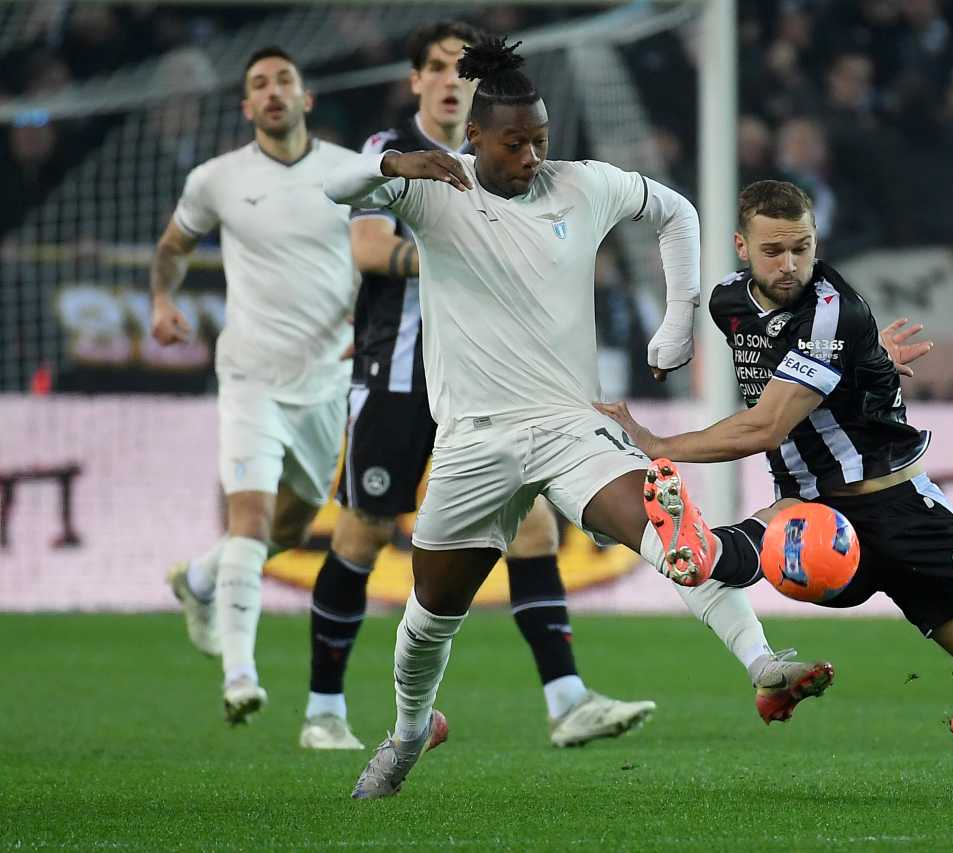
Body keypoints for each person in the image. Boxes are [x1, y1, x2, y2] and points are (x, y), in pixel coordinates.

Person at [324, 38, 834, 800]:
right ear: (475, 136)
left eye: (540, 139)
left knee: (673, 534)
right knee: (430, 617)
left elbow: (676, 211)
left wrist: (679, 318)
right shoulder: (433, 187)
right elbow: (330, 187)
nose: (531, 156)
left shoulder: (581, 185)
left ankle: (764, 664)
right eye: (514, 143)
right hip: (474, 439)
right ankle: (408, 732)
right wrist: (394, 164)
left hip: (570, 425)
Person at [598, 180, 953, 799]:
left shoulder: (833, 311)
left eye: (802, 248)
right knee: (761, 540)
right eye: (773, 251)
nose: (789, 264)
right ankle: (703, 551)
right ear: (741, 247)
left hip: (903, 511)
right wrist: (864, 358)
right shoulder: (728, 302)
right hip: (815, 513)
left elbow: (766, 426)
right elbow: (797, 367)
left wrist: (659, 444)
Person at [302, 21, 654, 752]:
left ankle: (567, 699)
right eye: (436, 68)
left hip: (499, 381)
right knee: (364, 529)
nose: (449, 82)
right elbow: (367, 247)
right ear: (416, 81)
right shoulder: (390, 150)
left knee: (533, 526)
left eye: (461, 71)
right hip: (402, 371)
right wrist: (458, 252)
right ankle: (323, 708)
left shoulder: (513, 167)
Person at [151, 46, 361, 724]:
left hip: (326, 380)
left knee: (291, 526)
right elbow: (173, 248)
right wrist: (162, 300)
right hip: (249, 375)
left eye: (284, 81)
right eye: (260, 85)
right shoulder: (216, 179)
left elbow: (388, 245)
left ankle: (200, 578)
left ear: (306, 98)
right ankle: (240, 675)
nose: (272, 92)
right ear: (247, 106)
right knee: (249, 519)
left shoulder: (350, 171)